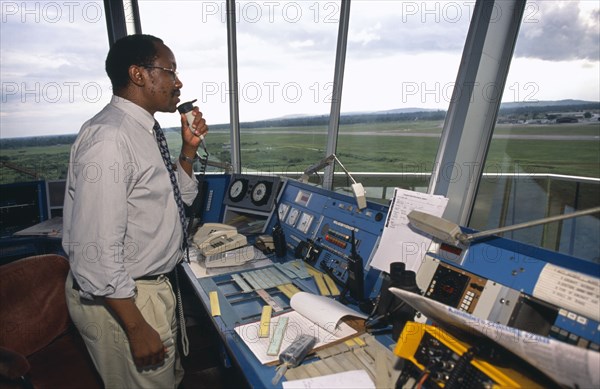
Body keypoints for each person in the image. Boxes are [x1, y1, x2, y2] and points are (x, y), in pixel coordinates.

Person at [62, 34, 208, 388]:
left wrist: (187, 151)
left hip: (149, 290)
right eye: (170, 71)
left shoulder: (142, 130)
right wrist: (137, 327)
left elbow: (176, 198)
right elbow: (94, 252)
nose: (179, 82)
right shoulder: (110, 140)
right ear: (139, 75)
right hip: (125, 301)